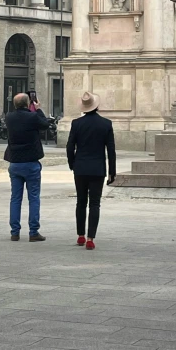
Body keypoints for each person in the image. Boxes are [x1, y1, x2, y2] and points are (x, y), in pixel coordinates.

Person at [66, 92, 116, 251]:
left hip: (80, 168)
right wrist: (112, 172)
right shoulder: (106, 124)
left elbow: (69, 146)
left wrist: (72, 163)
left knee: (81, 201)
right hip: (97, 169)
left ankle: (80, 235)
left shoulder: (76, 123)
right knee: (95, 203)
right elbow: (111, 150)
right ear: (97, 106)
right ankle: (90, 238)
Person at [4, 92, 50, 243]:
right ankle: (33, 231)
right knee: (34, 197)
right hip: (31, 162)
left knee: (15, 198)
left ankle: (15, 232)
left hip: (15, 162)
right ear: (28, 103)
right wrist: (37, 109)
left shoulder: (9, 117)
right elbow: (45, 124)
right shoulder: (32, 116)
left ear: (15, 104)